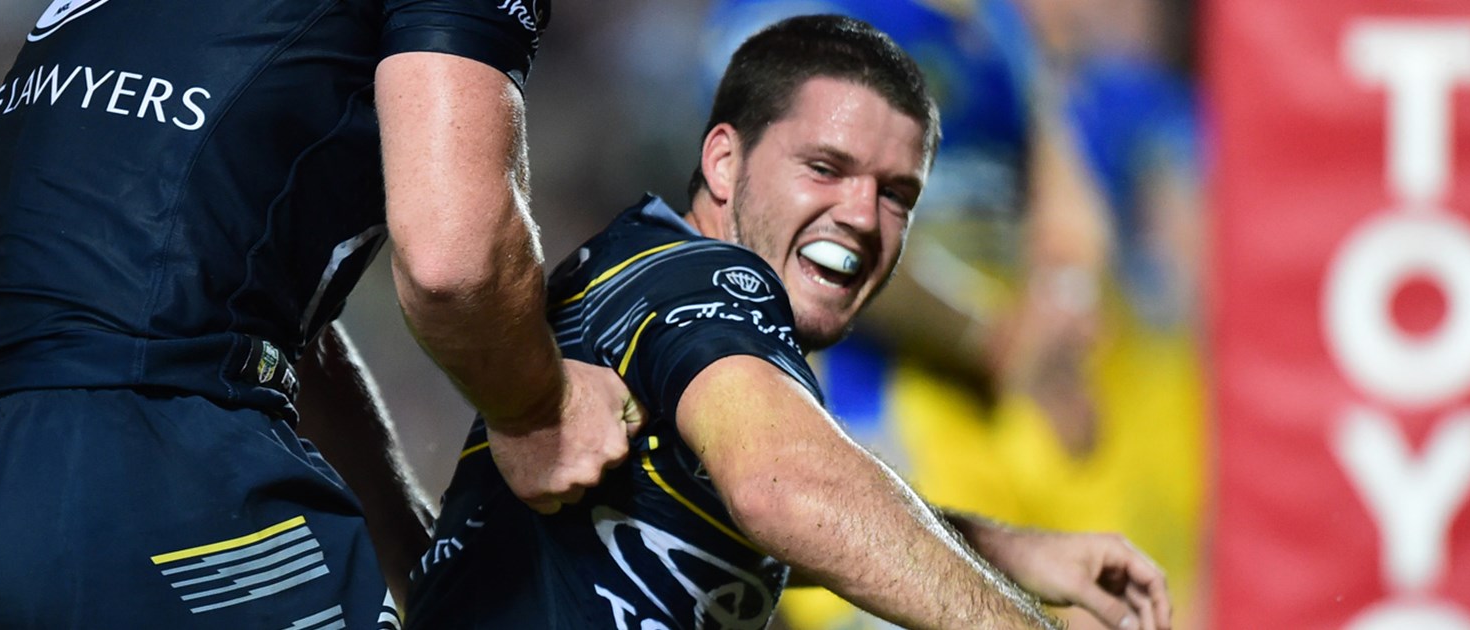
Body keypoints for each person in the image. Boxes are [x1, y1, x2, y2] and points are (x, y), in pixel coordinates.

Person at [408, 15, 1170, 629]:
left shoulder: (637, 267)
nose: (863, 215)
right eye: (825, 168)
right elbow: (788, 490)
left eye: (897, 195)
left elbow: (716, 503)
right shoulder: (708, 281)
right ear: (723, 162)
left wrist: (1012, 552)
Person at [0, 0, 636, 627]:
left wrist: (412, 555)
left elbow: (244, 302)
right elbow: (454, 263)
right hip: (153, 472)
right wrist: (539, 410)